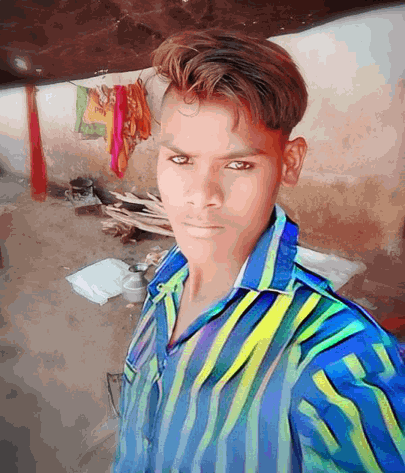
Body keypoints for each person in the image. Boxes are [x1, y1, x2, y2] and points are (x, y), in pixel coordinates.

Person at [114, 29, 405, 473]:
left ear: (289, 163)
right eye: (180, 159)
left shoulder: (338, 360)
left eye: (238, 164)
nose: (202, 196)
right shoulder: (167, 283)